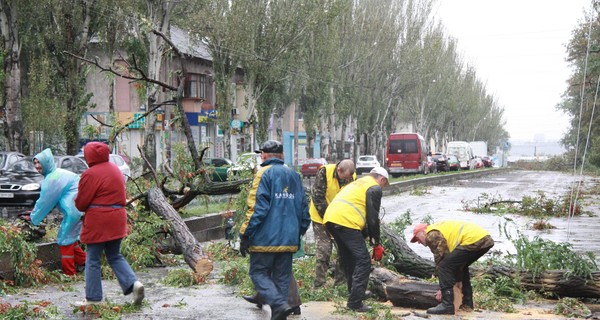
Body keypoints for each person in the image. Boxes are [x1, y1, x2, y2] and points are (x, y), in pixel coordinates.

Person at [239, 140, 310, 320]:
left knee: (258, 273)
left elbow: (256, 208)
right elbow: (304, 209)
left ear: (264, 155)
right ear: (282, 156)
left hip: (265, 238)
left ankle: (278, 305)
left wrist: (244, 234)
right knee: (281, 278)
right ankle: (280, 314)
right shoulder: (294, 175)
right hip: (289, 239)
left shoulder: (263, 173)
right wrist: (298, 232)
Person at [74, 142, 144, 306]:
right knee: (114, 255)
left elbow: (81, 203)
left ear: (89, 156)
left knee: (93, 259)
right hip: (118, 218)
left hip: (99, 220)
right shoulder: (116, 170)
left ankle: (93, 298)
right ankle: (134, 283)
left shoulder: (90, 174)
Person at [322, 167, 389, 312]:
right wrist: (376, 243)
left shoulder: (359, 183)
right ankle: (355, 302)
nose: (383, 187)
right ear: (382, 179)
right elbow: (372, 218)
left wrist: (368, 236)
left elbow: (361, 213)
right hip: (346, 221)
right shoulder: (374, 188)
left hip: (331, 219)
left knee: (350, 258)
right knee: (364, 261)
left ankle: (354, 293)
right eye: (385, 184)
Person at [23, 148, 86, 276]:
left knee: (64, 240)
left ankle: (69, 273)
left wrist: (33, 218)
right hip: (79, 210)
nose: (37, 166)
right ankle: (87, 264)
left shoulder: (52, 179)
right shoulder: (57, 174)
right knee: (71, 238)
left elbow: (45, 202)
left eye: (39, 162)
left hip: (72, 211)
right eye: (35, 163)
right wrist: (34, 213)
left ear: (47, 162)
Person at [410, 220, 494, 315]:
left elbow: (441, 258)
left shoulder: (431, 234)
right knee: (461, 266)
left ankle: (447, 305)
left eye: (417, 239)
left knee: (444, 267)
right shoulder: (438, 229)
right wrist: (457, 280)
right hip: (485, 239)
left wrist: (443, 288)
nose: (418, 242)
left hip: (473, 240)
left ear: (423, 232)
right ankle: (467, 304)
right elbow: (451, 262)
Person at [310, 159, 355, 288]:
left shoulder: (352, 177)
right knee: (324, 250)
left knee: (343, 250)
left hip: (340, 220)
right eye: (344, 178)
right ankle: (319, 285)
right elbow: (318, 197)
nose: (346, 180)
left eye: (349, 178)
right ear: (338, 170)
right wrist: (329, 219)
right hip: (321, 217)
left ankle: (340, 284)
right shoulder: (324, 172)